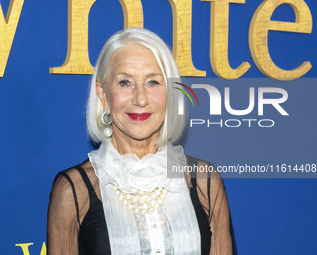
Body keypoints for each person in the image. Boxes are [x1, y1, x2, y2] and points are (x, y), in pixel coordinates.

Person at [47, 27, 232, 255]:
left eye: (153, 82)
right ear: (103, 95)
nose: (141, 99)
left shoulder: (205, 180)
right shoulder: (73, 190)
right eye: (125, 82)